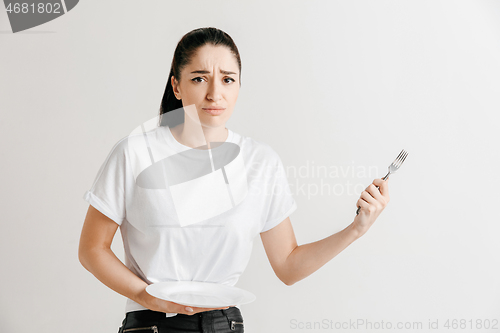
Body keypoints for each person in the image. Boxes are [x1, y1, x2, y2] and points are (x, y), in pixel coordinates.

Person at [78, 27, 390, 333]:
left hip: (225, 325)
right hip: (153, 324)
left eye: (228, 79)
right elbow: (92, 249)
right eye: (199, 78)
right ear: (177, 86)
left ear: (239, 85)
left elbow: (288, 266)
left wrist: (355, 230)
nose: (215, 93)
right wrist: (147, 296)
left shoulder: (260, 161)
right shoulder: (135, 153)